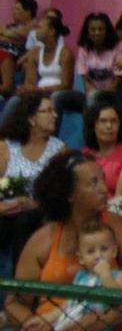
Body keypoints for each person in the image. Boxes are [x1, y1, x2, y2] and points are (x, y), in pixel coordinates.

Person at [4, 151, 122, 328]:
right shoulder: (42, 239)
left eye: (103, 180)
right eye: (93, 183)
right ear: (69, 194)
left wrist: (94, 323)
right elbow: (15, 302)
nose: (104, 189)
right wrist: (34, 325)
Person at [0, 95, 64, 264]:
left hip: (39, 210)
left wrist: (35, 204)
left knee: (25, 220)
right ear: (31, 119)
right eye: (47, 111)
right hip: (6, 207)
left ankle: (21, 278)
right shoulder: (6, 147)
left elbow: (61, 194)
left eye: (54, 110)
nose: (55, 115)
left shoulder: (59, 150)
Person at [49, 220, 122, 330]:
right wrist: (46, 318)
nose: (98, 255)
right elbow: (69, 305)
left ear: (114, 251)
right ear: (81, 258)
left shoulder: (117, 276)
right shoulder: (80, 277)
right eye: (91, 251)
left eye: (104, 249)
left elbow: (118, 301)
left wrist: (105, 275)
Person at [0, 15, 76, 130]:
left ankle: (51, 135)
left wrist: (39, 90)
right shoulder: (35, 53)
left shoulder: (65, 53)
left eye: (40, 28)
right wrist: (25, 88)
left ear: (51, 31)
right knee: (16, 99)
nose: (36, 31)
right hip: (39, 92)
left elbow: (66, 85)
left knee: (55, 97)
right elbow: (30, 82)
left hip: (59, 93)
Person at [81, 102, 122, 199]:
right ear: (93, 125)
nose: (109, 126)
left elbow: (119, 197)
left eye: (114, 121)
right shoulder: (84, 154)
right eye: (103, 121)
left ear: (120, 125)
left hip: (116, 206)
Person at [75, 12, 122, 107]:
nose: (97, 32)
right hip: (91, 93)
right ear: (87, 32)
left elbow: (117, 81)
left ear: (107, 31)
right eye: (93, 30)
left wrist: (100, 94)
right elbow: (86, 82)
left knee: (93, 97)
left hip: (113, 93)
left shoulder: (119, 47)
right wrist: (94, 92)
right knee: (58, 97)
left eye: (100, 29)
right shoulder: (83, 48)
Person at [0, 0, 38, 99]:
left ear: (28, 12)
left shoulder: (34, 24)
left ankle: (6, 89)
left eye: (17, 9)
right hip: (5, 53)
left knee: (4, 55)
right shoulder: (11, 26)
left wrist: (5, 33)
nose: (14, 12)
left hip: (16, 56)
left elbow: (22, 35)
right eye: (14, 9)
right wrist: (9, 35)